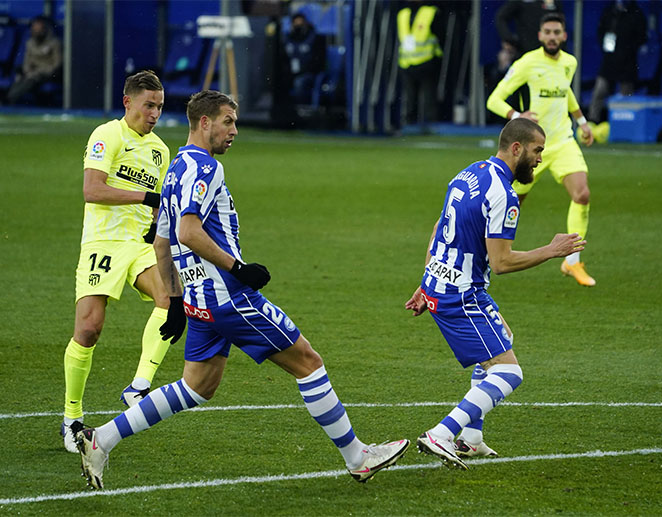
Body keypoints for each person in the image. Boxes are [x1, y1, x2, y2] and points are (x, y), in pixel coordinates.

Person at [72, 90, 409, 489]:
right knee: (308, 361)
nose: (235, 130)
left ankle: (101, 439)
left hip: (199, 299)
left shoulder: (176, 167)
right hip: (228, 296)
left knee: (197, 386)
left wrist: (177, 300)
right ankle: (358, 457)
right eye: (228, 121)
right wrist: (240, 269)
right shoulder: (206, 168)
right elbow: (187, 231)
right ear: (204, 123)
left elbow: (162, 241)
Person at [405, 118, 585, 469]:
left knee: (502, 338)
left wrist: (428, 280)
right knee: (509, 373)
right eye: (536, 152)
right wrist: (552, 250)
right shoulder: (504, 194)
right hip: (462, 294)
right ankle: (442, 433)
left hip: (442, 283)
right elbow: (501, 262)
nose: (539, 160)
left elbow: (440, 227)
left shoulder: (469, 172)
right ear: (516, 148)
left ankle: (471, 439)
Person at [61, 70, 171, 454]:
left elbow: (159, 205)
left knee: (171, 299)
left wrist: (157, 229)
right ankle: (71, 418)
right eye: (148, 106)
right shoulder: (107, 135)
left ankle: (139, 386)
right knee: (89, 329)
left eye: (159, 106)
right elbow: (92, 190)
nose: (155, 113)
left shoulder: (160, 150)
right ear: (128, 103)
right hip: (104, 242)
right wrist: (144, 198)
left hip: (140, 246)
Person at [486, 12, 597, 287]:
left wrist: (581, 121)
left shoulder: (569, 62)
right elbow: (494, 99)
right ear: (540, 36)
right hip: (529, 149)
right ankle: (491, 253)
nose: (552, 36)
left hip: (561, 142)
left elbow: (565, 91)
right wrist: (516, 116)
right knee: (512, 203)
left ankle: (573, 263)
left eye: (556, 32)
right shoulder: (527, 63)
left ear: (564, 35)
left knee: (582, 194)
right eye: (547, 32)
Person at [587, 0, 647, 127]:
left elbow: (642, 36)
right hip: (609, 60)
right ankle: (592, 122)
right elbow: (600, 31)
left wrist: (629, 49)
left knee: (626, 96)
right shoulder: (609, 10)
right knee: (599, 91)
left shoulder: (636, 12)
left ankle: (624, 125)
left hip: (628, 61)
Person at [397, 0, 444, 125]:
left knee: (429, 98)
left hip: (426, 61)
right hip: (407, 62)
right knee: (409, 98)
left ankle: (431, 125)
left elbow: (439, 36)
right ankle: (409, 125)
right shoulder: (402, 14)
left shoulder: (431, 12)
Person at [6, 15, 61, 105]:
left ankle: (9, 99)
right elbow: (27, 61)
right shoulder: (30, 43)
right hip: (32, 72)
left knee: (32, 79)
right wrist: (27, 70)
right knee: (19, 78)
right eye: (34, 27)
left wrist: (38, 72)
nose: (35, 30)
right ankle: (8, 99)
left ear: (45, 28)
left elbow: (56, 64)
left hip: (47, 73)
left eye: (38, 28)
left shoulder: (55, 43)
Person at [282, 12, 326, 105]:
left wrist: (304, 69)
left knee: (299, 83)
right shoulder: (287, 39)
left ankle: (302, 109)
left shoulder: (315, 38)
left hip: (308, 73)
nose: (298, 28)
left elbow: (318, 61)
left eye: (301, 25)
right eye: (296, 25)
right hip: (291, 73)